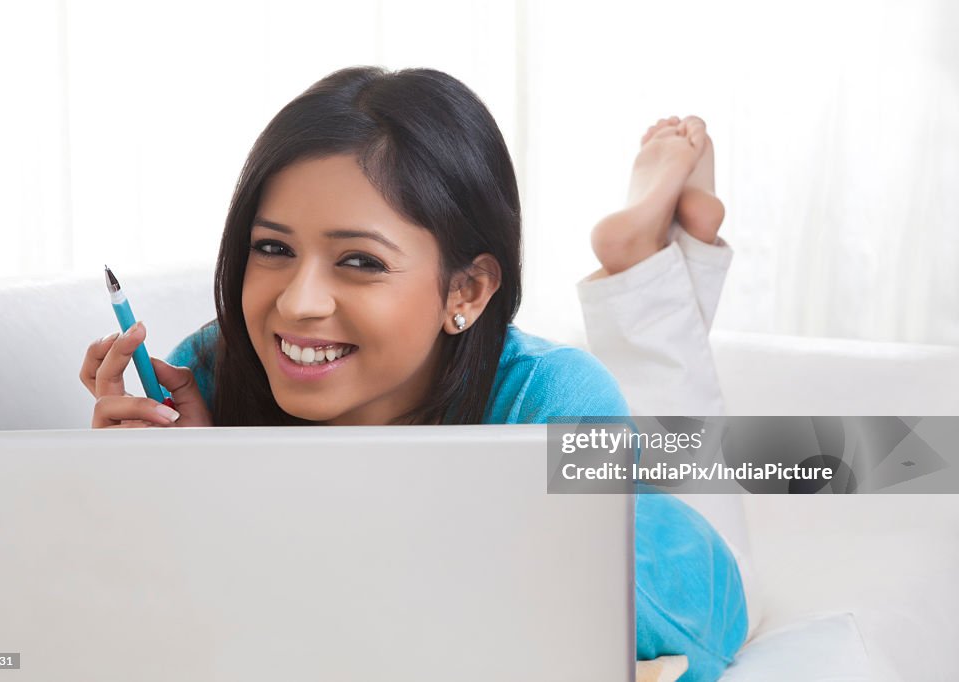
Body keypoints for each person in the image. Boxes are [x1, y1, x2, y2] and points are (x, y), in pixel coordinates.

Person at [79, 67, 746, 680]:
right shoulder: (212, 378)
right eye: (273, 248)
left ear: (467, 292)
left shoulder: (554, 398)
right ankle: (655, 256)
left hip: (679, 579)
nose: (297, 302)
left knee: (678, 415)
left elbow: (683, 639)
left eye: (360, 261)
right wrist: (167, 493)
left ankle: (642, 260)